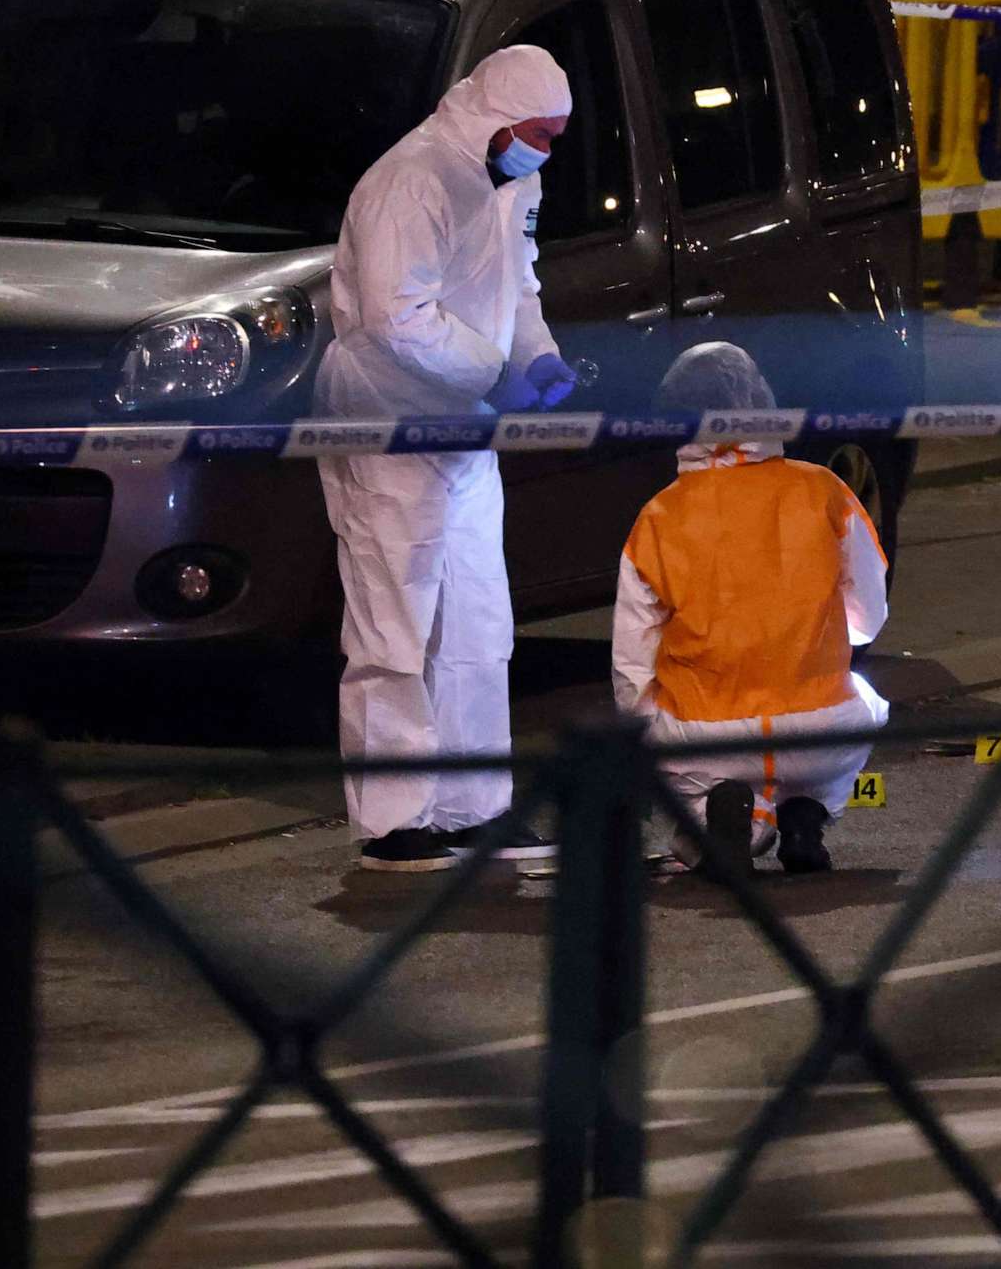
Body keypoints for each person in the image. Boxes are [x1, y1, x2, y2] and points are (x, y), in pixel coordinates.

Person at [317, 44, 580, 873]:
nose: (548, 150)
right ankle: (395, 821)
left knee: (475, 620)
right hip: (390, 421)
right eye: (540, 133)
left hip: (464, 426)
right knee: (393, 621)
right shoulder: (414, 181)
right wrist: (497, 370)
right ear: (499, 120)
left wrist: (536, 357)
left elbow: (521, 285)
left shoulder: (512, 178)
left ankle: (472, 806)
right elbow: (398, 319)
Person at [612, 342, 890, 875]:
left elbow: (632, 660)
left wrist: (645, 737)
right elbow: (868, 618)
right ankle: (808, 810)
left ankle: (744, 816)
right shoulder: (824, 490)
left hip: (707, 736)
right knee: (870, 701)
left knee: (696, 808)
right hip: (820, 729)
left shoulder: (659, 516)